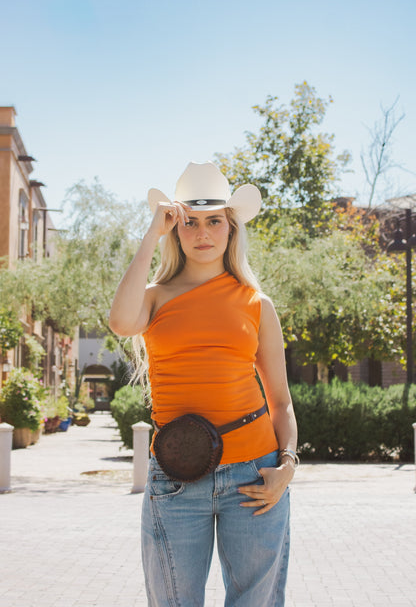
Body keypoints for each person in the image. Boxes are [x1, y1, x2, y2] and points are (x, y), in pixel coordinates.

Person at [109, 161, 298, 607]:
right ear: (176, 230)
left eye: (214, 221)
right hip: (175, 477)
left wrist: (286, 468)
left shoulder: (257, 304)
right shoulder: (154, 297)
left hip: (255, 474)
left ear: (231, 228)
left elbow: (282, 403)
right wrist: (152, 234)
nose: (202, 233)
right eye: (189, 223)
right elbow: (119, 321)